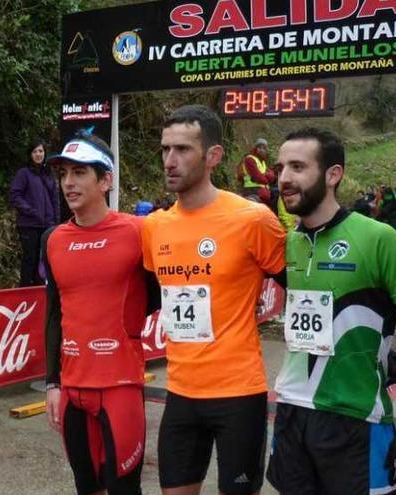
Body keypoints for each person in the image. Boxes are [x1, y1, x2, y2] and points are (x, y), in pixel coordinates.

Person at [268, 128, 396, 495]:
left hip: (357, 420)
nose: (284, 177)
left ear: (333, 174)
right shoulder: (288, 243)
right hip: (292, 412)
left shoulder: (378, 238)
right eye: (281, 167)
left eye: (298, 166)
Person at [142, 105, 286, 495]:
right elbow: (152, 298)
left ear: (213, 156)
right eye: (165, 149)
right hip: (181, 393)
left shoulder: (252, 219)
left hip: (238, 394)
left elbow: (300, 286)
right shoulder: (155, 226)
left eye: (183, 150)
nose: (170, 161)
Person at [42, 132, 159, 495]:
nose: (68, 183)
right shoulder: (53, 239)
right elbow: (54, 313)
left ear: (105, 180)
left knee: (123, 489)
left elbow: (157, 296)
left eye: (79, 173)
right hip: (73, 387)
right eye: (64, 174)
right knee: (86, 486)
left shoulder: (139, 231)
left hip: (120, 385)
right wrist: (52, 383)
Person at [9, 139, 59, 286]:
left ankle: (39, 287)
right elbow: (14, 195)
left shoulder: (48, 173)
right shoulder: (24, 173)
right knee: (29, 258)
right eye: (35, 151)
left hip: (47, 225)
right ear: (30, 154)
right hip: (29, 224)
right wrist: (29, 210)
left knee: (43, 259)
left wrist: (56, 221)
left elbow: (55, 199)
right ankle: (25, 288)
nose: (38, 154)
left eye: (41, 151)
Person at [237, 137, 274, 204]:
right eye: (259, 147)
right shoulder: (250, 159)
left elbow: (272, 176)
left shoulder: (262, 161)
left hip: (262, 193)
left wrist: (266, 176)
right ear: (255, 148)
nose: (261, 150)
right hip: (252, 192)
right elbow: (259, 178)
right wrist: (266, 179)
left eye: (264, 148)